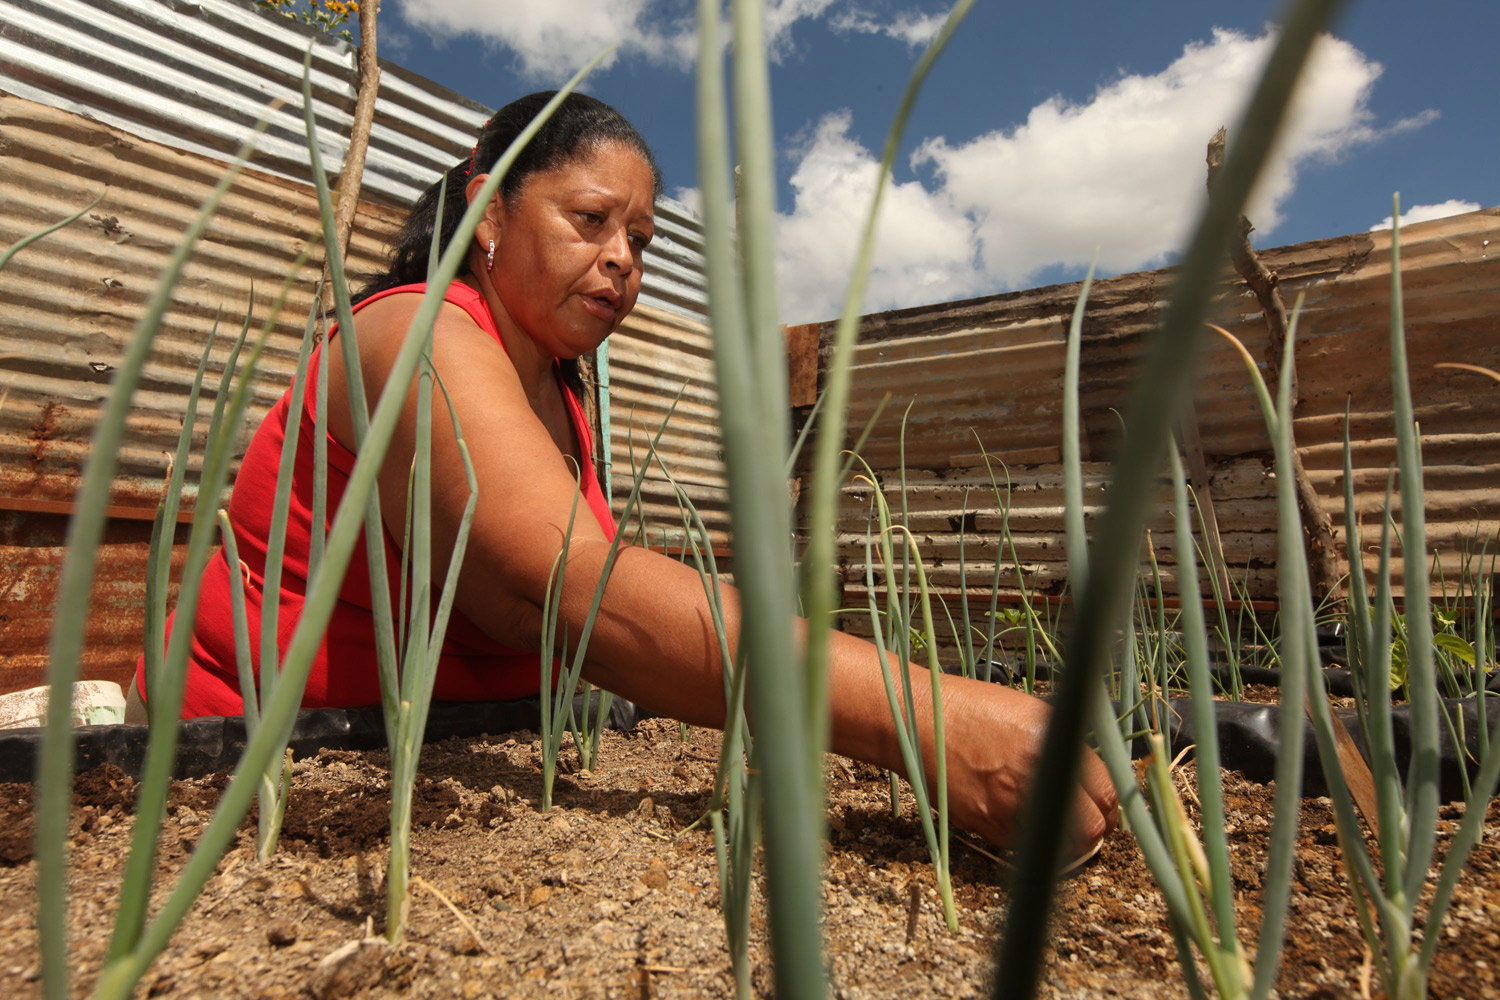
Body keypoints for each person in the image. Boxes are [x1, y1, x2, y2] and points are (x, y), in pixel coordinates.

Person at [129, 91, 1118, 855]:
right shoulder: (414, 334)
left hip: (460, 748)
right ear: (489, 212)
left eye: (639, 241)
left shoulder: (566, 392)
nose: (622, 261)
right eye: (591, 219)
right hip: (258, 766)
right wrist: (923, 718)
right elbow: (556, 585)